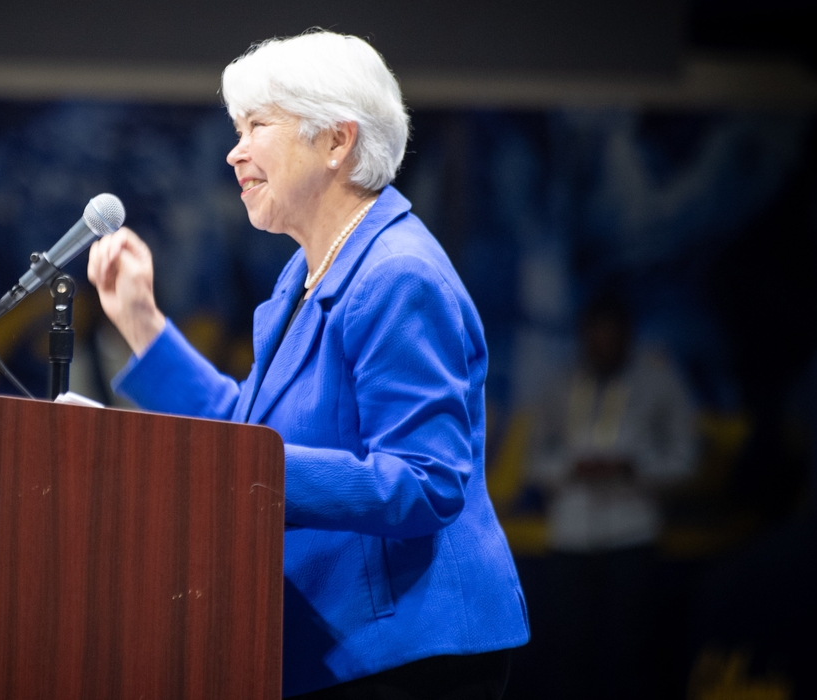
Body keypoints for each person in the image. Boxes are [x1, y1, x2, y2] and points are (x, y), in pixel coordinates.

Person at [88, 32, 529, 699]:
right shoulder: (304, 273)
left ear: (335, 142)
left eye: (257, 126)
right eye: (235, 130)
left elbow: (426, 481)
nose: (233, 151)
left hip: (411, 654)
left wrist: (246, 473)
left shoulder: (396, 274)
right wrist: (142, 325)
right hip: (342, 646)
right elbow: (244, 435)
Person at [528, 292, 696, 699]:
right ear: (583, 336)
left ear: (628, 336)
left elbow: (687, 459)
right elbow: (534, 459)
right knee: (568, 655)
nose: (602, 345)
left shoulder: (659, 382)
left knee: (632, 656)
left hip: (632, 533)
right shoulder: (559, 384)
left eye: (612, 336)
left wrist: (633, 467)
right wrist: (569, 468)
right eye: (594, 336)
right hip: (570, 535)